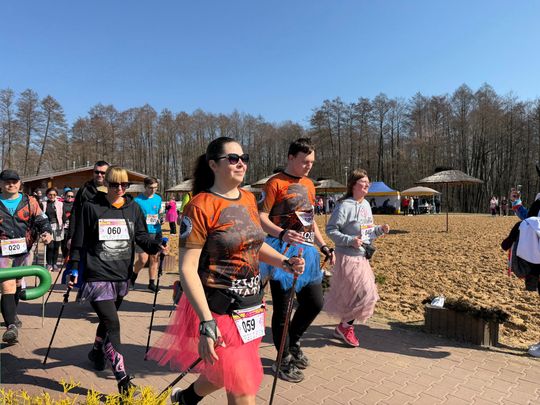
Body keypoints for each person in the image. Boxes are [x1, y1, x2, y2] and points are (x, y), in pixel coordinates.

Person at [148, 137, 304, 405]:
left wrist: (284, 262)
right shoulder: (200, 206)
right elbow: (187, 268)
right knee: (243, 387)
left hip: (251, 307)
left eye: (244, 158)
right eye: (233, 159)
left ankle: (186, 398)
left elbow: (253, 244)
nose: (241, 163)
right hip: (219, 309)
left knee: (224, 371)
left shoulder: (248, 198)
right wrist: (206, 322)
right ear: (213, 164)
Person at [69, 166, 167, 394]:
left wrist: (156, 246)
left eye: (125, 185)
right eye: (115, 185)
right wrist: (73, 268)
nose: (120, 189)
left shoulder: (133, 208)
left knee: (106, 321)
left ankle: (96, 352)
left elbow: (141, 236)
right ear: (106, 185)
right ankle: (123, 381)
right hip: (97, 274)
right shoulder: (91, 207)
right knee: (113, 323)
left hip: (121, 275)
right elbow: (79, 240)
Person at [258, 137, 335, 383]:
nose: (309, 166)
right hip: (280, 250)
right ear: (291, 157)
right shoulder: (274, 183)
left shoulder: (309, 184)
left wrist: (324, 246)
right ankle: (282, 360)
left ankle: (293, 342)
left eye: (312, 162)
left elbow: (309, 220)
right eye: (304, 161)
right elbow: (261, 217)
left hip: (306, 251)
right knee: (283, 309)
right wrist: (281, 233)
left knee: (314, 302)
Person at [324, 170, 390, 347]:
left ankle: (343, 327)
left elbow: (367, 232)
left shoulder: (366, 204)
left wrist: (379, 230)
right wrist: (350, 241)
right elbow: (330, 230)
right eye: (363, 182)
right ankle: (345, 327)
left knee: (358, 295)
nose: (367, 185)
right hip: (347, 258)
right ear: (353, 185)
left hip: (362, 257)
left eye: (368, 182)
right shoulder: (344, 206)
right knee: (364, 294)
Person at [0, 169, 52, 344]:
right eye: (7, 181)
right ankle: (11, 326)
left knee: (16, 283)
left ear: (20, 183)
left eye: (14, 181)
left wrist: (46, 232)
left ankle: (12, 315)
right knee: (7, 284)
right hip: (2, 252)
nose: (11, 184)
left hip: (24, 250)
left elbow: (43, 220)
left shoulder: (30, 202)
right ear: (1, 184)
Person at [64, 160, 109, 286]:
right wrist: (71, 236)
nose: (99, 175)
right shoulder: (84, 189)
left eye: (103, 173)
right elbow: (75, 214)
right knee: (85, 269)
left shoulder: (113, 189)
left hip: (106, 236)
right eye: (96, 172)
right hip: (86, 236)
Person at [131, 176, 163, 292]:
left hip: (156, 231)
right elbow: (133, 217)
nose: (153, 190)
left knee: (154, 258)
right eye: (150, 188)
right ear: (145, 187)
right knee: (143, 260)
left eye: (155, 187)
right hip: (142, 233)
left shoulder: (158, 198)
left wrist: (161, 219)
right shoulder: (137, 200)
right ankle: (133, 277)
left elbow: (159, 213)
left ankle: (151, 283)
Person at [42, 187, 65, 271]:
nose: (52, 196)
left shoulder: (60, 204)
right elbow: (41, 215)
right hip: (48, 227)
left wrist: (65, 223)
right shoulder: (44, 204)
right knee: (50, 246)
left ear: (56, 195)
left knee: (56, 246)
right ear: (47, 195)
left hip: (58, 227)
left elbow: (63, 215)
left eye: (54, 195)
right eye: (50, 194)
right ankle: (49, 264)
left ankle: (54, 264)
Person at [61, 189, 75, 259]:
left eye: (72, 196)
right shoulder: (61, 204)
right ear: (65, 196)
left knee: (71, 243)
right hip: (64, 226)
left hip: (72, 226)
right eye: (68, 196)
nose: (70, 197)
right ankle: (65, 258)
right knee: (64, 244)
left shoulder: (75, 204)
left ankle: (69, 259)